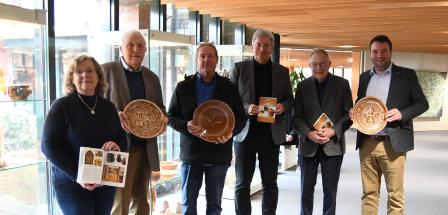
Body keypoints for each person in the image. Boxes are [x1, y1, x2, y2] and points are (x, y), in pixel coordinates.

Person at [349, 35, 428, 215]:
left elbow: (422, 104)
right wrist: (354, 112)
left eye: (384, 51)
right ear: (370, 53)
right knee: (368, 194)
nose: (379, 55)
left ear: (391, 52)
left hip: (393, 143)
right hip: (367, 143)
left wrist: (402, 113)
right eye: (375, 51)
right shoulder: (364, 77)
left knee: (395, 196)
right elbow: (361, 104)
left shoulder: (406, 75)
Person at [167, 42, 246, 214]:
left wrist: (231, 132)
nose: (206, 60)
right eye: (202, 56)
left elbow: (241, 117)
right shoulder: (183, 87)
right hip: (191, 155)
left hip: (218, 155)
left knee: (215, 206)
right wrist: (186, 125)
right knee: (188, 204)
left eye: (210, 56)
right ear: (196, 60)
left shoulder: (229, 87)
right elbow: (170, 116)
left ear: (217, 60)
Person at [41, 55, 126, 215]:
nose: (85, 75)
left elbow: (122, 139)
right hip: (71, 181)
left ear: (98, 76)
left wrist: (117, 146)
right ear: (71, 78)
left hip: (104, 181)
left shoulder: (108, 107)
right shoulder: (61, 106)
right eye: (79, 72)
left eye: (89, 71)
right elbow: (47, 145)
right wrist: (78, 176)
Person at [102, 30, 166, 215]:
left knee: (141, 201)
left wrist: (162, 119)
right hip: (117, 149)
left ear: (145, 50)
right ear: (121, 48)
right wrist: (114, 115)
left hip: (146, 148)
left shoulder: (152, 77)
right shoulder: (105, 71)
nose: (136, 49)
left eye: (140, 45)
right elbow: (93, 107)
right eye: (131, 44)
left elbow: (160, 108)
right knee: (118, 204)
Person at [230, 29, 294, 215]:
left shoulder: (282, 72)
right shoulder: (239, 69)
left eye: (266, 45)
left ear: (272, 48)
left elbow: (290, 99)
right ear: (253, 46)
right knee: (242, 183)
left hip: (271, 136)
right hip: (245, 135)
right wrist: (246, 108)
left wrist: (283, 106)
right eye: (259, 45)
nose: (262, 49)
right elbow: (230, 101)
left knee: (270, 183)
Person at [292, 49, 353, 215]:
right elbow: (296, 117)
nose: (318, 67)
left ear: (329, 64)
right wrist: (308, 133)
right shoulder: (302, 86)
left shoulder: (342, 84)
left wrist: (333, 131)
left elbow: (349, 116)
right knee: (305, 193)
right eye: (314, 64)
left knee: (330, 193)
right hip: (308, 146)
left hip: (333, 146)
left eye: (322, 63)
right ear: (309, 65)